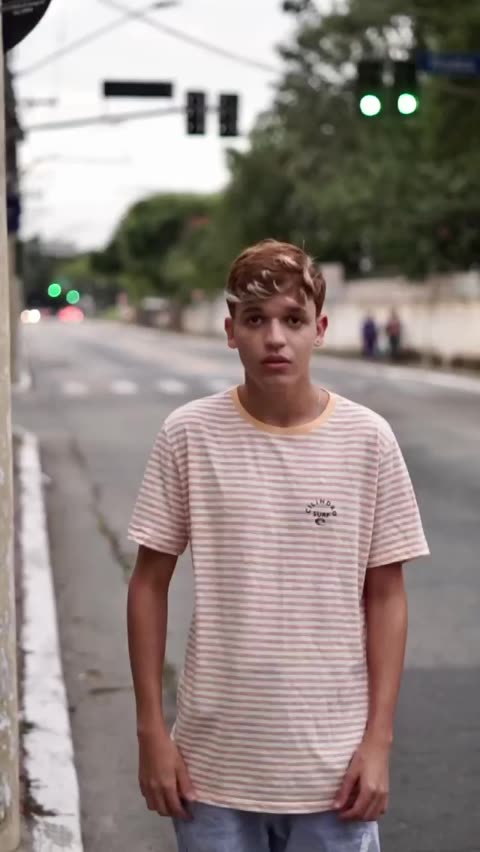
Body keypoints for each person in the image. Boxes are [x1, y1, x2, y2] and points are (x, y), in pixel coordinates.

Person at [127, 239, 429, 852]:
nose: (274, 338)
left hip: (333, 773)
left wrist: (378, 741)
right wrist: (152, 733)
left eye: (293, 320)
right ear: (230, 332)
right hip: (211, 769)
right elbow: (148, 584)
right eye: (255, 319)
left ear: (319, 329)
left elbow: (387, 597)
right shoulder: (188, 435)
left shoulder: (368, 440)